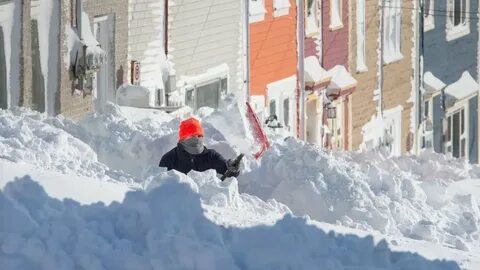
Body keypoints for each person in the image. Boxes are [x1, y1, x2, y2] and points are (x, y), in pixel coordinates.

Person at [159, 117, 240, 179]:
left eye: (199, 135)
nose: (196, 139)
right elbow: (159, 186)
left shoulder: (211, 156)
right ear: (182, 138)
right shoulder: (169, 159)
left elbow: (227, 170)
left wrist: (232, 167)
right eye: (191, 135)